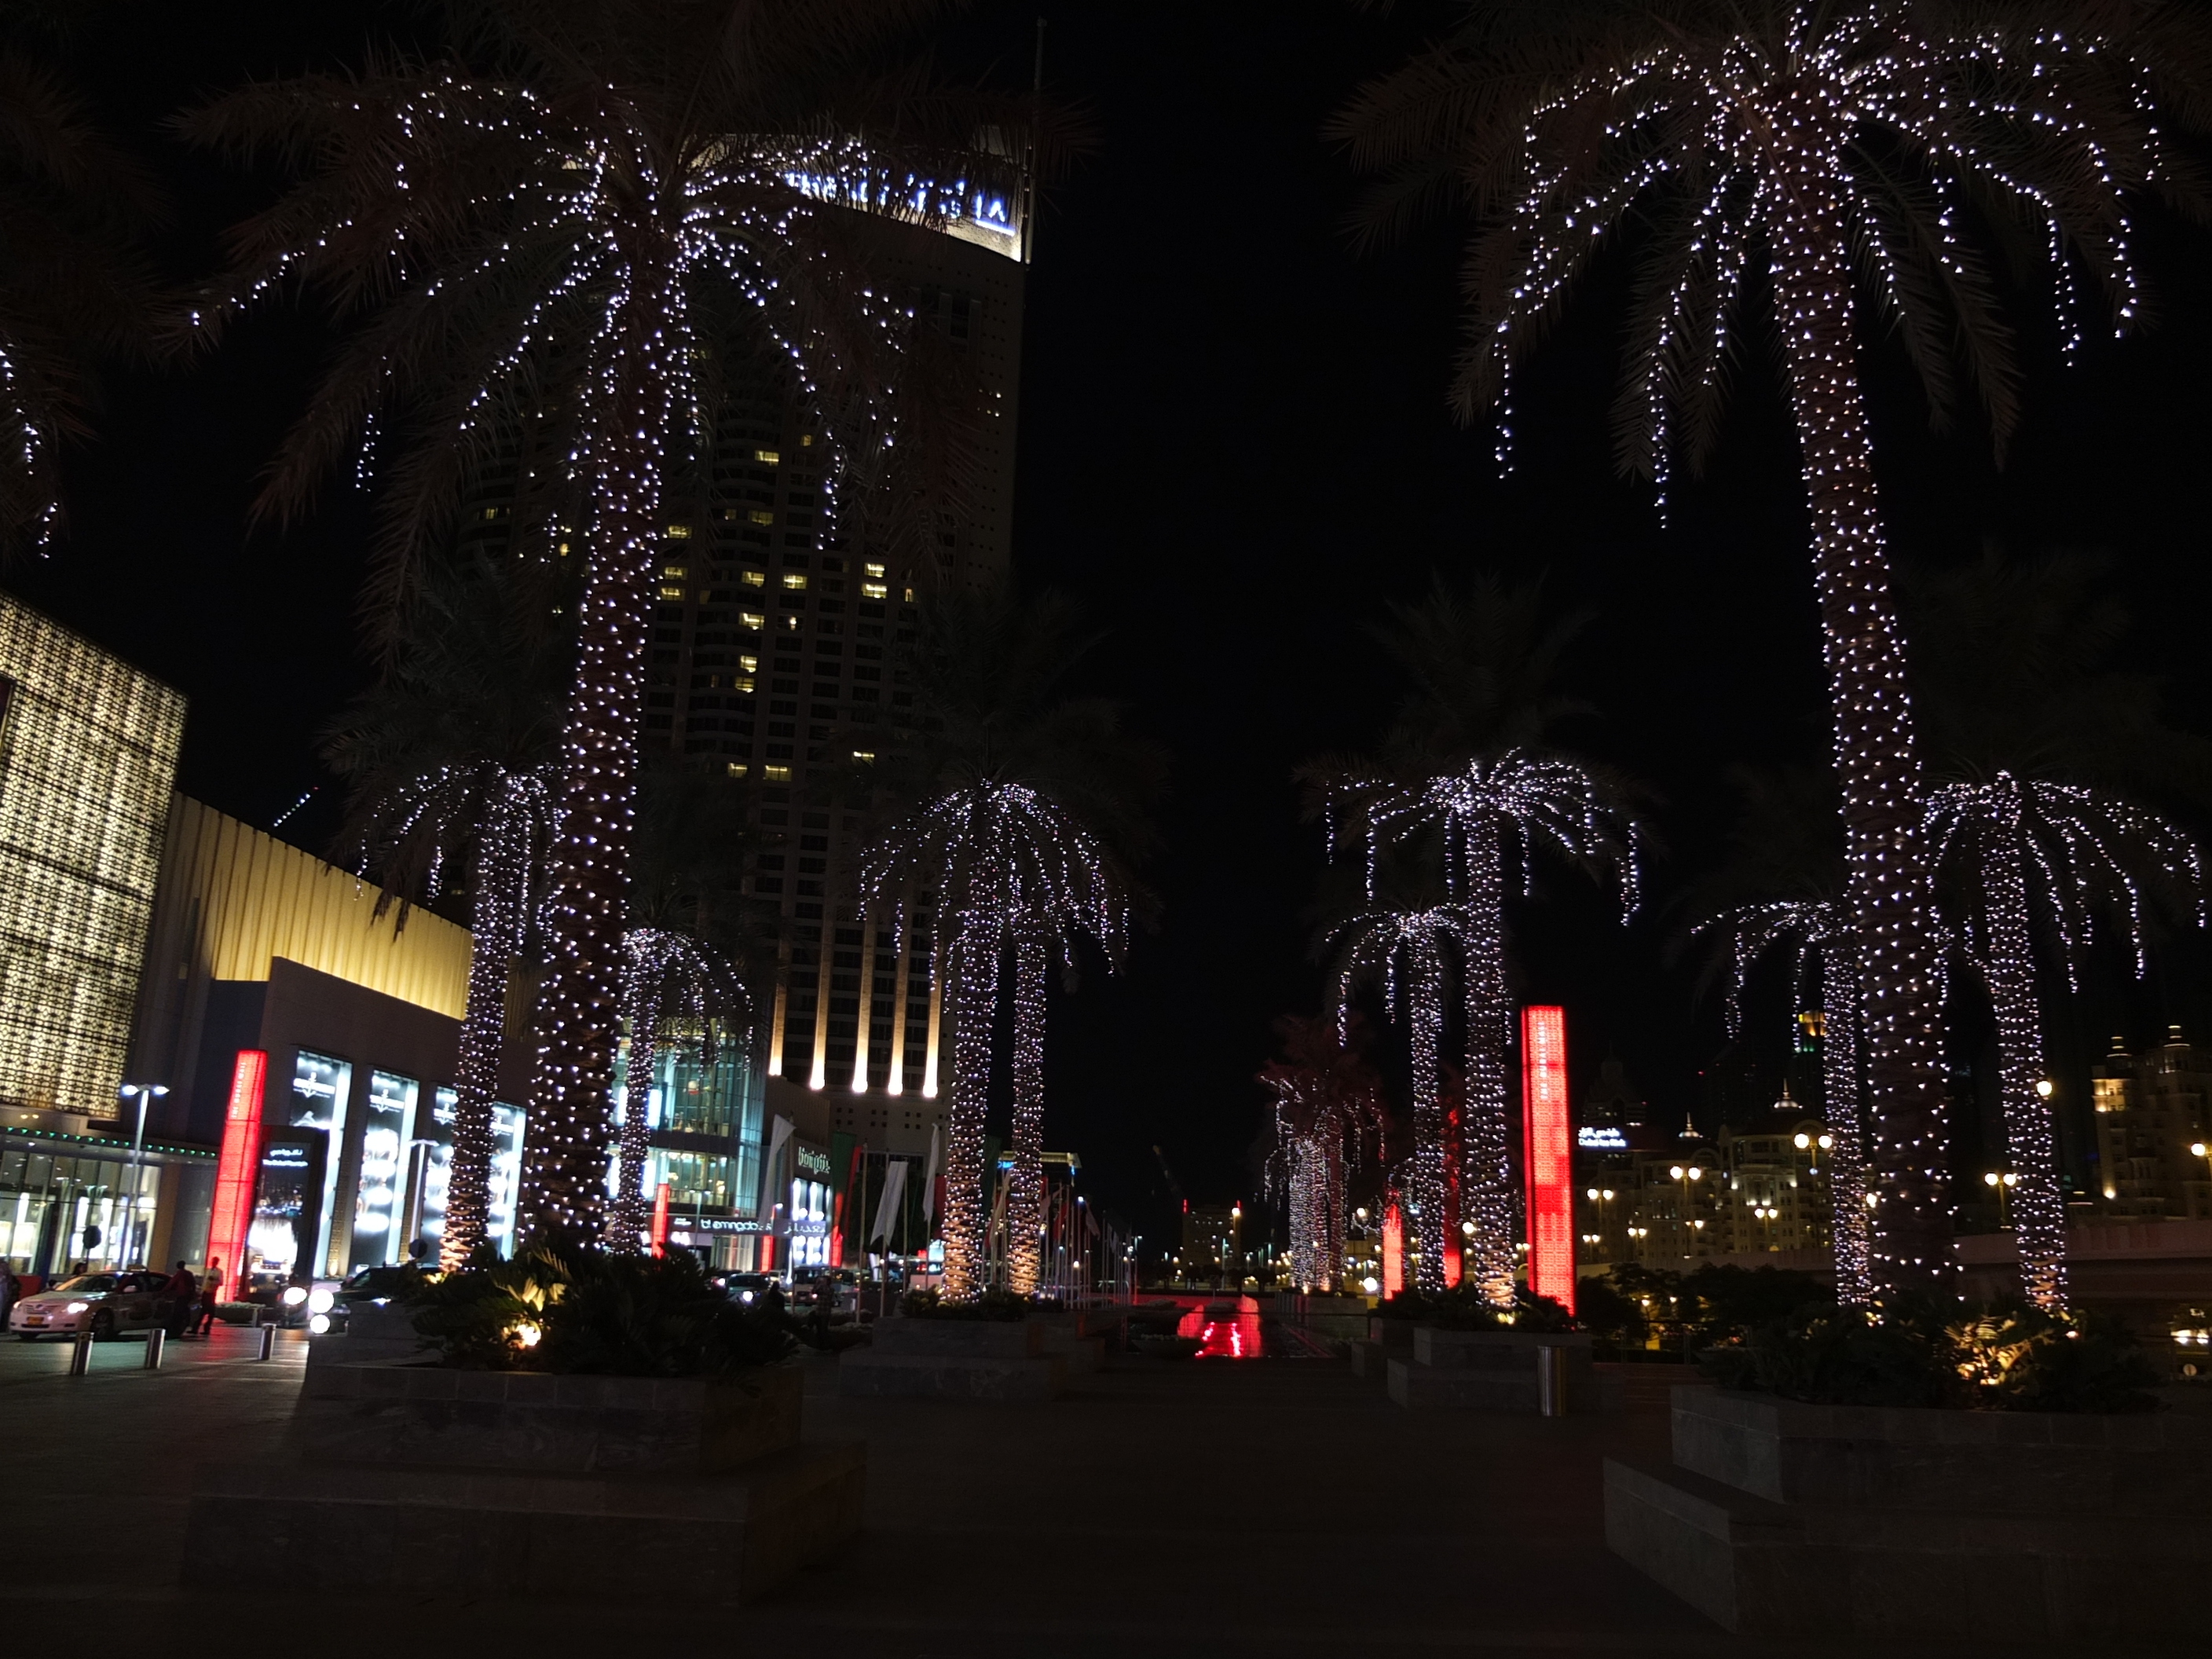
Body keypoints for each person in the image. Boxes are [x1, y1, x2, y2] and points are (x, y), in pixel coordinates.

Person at [162, 1260, 197, 1338]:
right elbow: (193, 1284)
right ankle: (183, 1324)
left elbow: (171, 1284)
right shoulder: (189, 1274)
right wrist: (193, 1293)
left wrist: (162, 1292)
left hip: (181, 1296)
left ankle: (175, 1328)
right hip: (187, 1296)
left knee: (177, 1313)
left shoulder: (179, 1274)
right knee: (184, 1311)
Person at [193, 1256, 225, 1338]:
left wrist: (213, 1280)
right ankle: (196, 1328)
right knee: (203, 1310)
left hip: (212, 1293)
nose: (213, 1262)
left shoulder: (219, 1272)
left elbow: (221, 1282)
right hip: (205, 1292)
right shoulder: (207, 1270)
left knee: (210, 1311)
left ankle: (205, 1328)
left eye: (215, 1261)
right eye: (213, 1261)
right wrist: (202, 1291)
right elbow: (204, 1282)